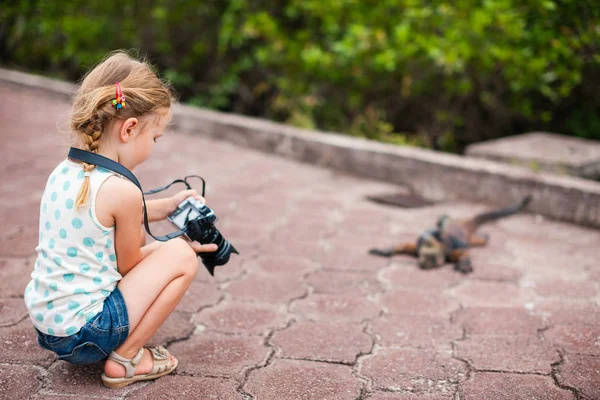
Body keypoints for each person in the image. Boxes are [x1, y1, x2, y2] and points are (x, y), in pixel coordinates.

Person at [23, 50, 217, 389]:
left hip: (49, 326)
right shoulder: (122, 191)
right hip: (86, 335)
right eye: (154, 137)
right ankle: (125, 360)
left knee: (168, 252)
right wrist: (180, 248)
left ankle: (117, 349)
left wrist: (169, 205)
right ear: (129, 129)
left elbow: (105, 216)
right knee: (183, 258)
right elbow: (130, 267)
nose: (153, 146)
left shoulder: (66, 171)